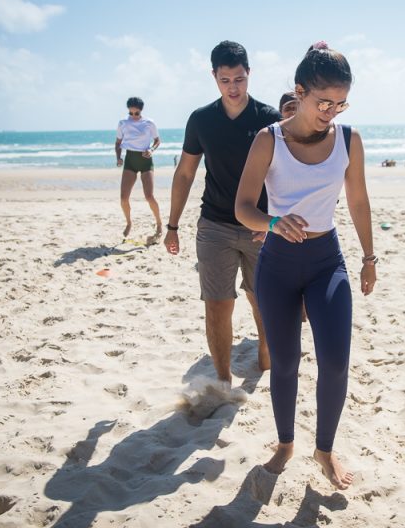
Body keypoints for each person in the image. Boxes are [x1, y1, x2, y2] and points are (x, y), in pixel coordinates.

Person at [236, 41, 376, 490]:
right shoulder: (268, 139)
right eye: (323, 103)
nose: (331, 111)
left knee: (335, 362)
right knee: (286, 362)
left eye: (340, 103)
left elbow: (358, 201)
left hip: (325, 261)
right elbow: (242, 208)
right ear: (299, 92)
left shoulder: (349, 139)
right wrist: (273, 221)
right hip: (277, 264)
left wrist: (369, 257)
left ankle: (325, 450)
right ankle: (285, 443)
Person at [163, 40, 281, 387]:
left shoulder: (269, 118)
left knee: (264, 303)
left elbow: (283, 176)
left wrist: (274, 222)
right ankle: (223, 380)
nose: (233, 87)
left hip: (260, 226)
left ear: (249, 75)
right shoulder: (201, 120)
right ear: (214, 76)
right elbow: (185, 173)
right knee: (217, 305)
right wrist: (172, 226)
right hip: (214, 224)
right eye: (226, 80)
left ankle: (266, 363)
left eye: (240, 79)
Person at [115, 96, 162, 240]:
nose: (133, 116)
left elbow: (157, 141)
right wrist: (118, 157)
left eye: (136, 113)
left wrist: (152, 150)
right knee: (123, 198)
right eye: (131, 113)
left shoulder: (149, 123)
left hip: (145, 160)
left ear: (140, 111)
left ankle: (159, 223)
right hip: (130, 160)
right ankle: (129, 222)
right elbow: (118, 143)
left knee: (149, 196)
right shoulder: (123, 123)